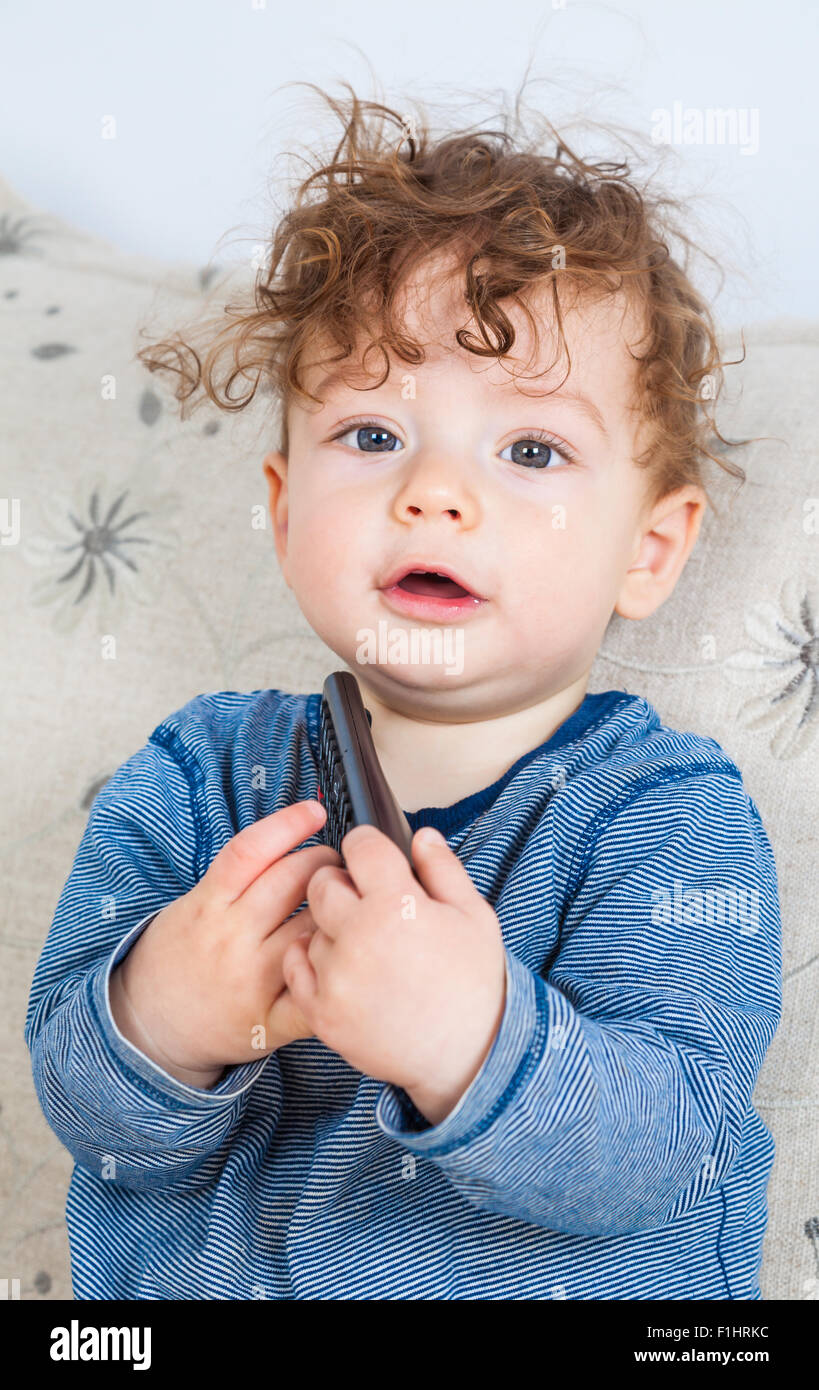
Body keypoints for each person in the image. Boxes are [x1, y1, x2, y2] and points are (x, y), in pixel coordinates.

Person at [26, 88, 781, 1300]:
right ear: (284, 513)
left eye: (530, 450)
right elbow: (80, 1102)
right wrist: (167, 1011)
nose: (435, 492)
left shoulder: (667, 820)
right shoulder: (197, 776)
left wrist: (466, 1038)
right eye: (374, 434)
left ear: (649, 551)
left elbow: (678, 1153)